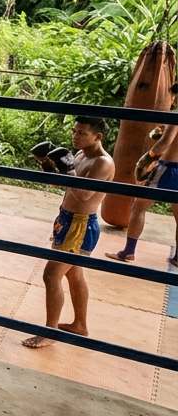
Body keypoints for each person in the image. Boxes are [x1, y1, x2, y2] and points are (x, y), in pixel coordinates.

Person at [21, 116, 115, 348]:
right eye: (74, 131)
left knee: (51, 275)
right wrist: (46, 164)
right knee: (74, 274)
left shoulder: (103, 163)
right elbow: (63, 185)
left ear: (98, 136)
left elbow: (84, 195)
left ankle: (50, 332)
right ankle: (80, 325)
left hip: (81, 225)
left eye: (81, 133)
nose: (75, 136)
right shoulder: (81, 155)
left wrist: (68, 169)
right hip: (66, 220)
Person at [108, 92, 178, 263]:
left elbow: (164, 143)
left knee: (139, 207)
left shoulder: (176, 115)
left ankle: (128, 252)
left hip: (167, 167)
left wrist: (146, 159)